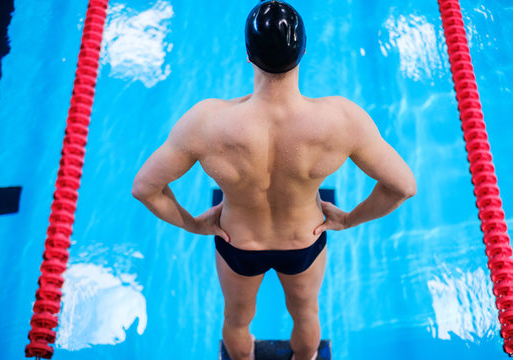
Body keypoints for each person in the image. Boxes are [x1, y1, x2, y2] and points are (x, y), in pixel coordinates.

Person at [131, 1, 417, 359]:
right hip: (303, 241)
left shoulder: (205, 122)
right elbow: (403, 186)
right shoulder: (342, 120)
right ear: (303, 52)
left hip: (237, 242)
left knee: (236, 320)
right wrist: (347, 218)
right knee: (307, 313)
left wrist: (193, 224)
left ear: (248, 55)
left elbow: (145, 188)